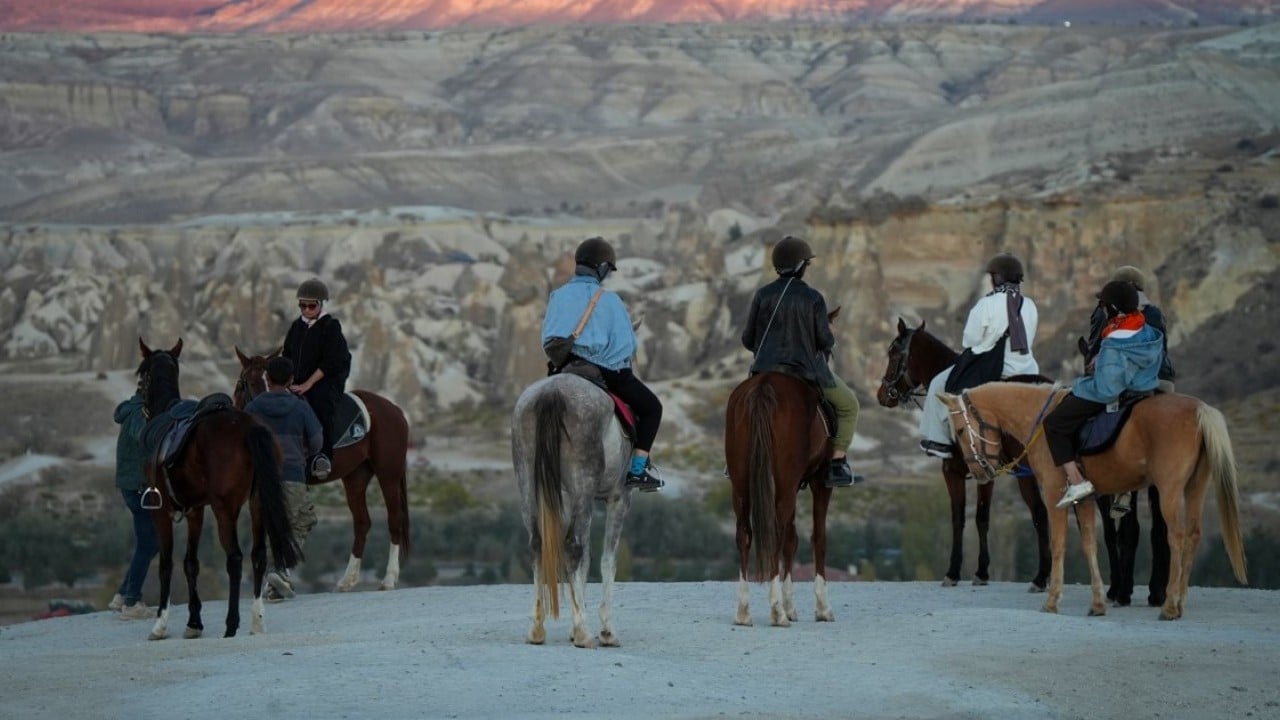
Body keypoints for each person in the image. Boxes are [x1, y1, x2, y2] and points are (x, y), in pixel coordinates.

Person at [541, 237, 664, 491]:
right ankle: (638, 471)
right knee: (653, 408)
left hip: (565, 368)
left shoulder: (558, 295)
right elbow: (626, 347)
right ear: (603, 268)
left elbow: (548, 339)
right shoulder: (610, 301)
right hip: (604, 371)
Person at [741, 236, 862, 488]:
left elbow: (748, 339)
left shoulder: (762, 295)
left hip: (764, 370)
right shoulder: (813, 298)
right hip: (805, 372)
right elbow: (825, 341)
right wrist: (827, 333)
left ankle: (736, 460)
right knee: (849, 405)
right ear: (800, 266)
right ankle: (838, 463)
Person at [1047, 280, 1164, 509]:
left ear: (1113, 309)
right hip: (1144, 388)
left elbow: (1107, 389)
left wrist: (1080, 385)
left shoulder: (1112, 342)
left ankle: (1077, 481)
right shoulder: (1147, 330)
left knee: (1054, 424)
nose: (1101, 308)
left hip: (1116, 392)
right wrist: (1104, 361)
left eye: (1104, 304)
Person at [918, 253, 1040, 459]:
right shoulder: (1029, 305)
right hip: (1027, 368)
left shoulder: (987, 304)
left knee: (939, 383)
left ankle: (938, 441)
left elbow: (969, 341)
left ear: (997, 278)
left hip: (993, 368)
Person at [244, 356, 322, 602]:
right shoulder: (300, 407)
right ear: (290, 380)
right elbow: (318, 441)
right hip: (292, 475)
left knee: (270, 527)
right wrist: (303, 451)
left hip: (260, 480)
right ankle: (278, 570)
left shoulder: (253, 408)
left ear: (267, 378)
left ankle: (275, 584)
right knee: (304, 520)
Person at [282, 278, 351, 481]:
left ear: (321, 304)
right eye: (302, 305)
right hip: (297, 379)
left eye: (311, 305)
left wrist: (307, 384)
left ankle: (323, 456)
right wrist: (287, 381)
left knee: (320, 402)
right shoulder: (296, 327)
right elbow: (287, 354)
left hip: (326, 379)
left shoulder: (331, 326)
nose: (307, 310)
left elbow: (331, 361)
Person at [1086, 265, 1175, 393]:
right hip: (1164, 378)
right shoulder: (1156, 313)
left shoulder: (1111, 311)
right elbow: (1163, 348)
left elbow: (1097, 348)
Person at [109, 387, 158, 620]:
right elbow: (145, 438)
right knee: (148, 544)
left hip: (131, 486)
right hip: (138, 487)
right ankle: (131, 602)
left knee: (150, 543)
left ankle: (122, 595)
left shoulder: (131, 410)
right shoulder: (141, 414)